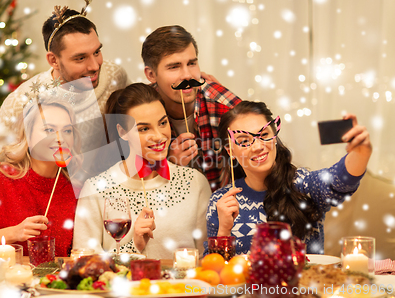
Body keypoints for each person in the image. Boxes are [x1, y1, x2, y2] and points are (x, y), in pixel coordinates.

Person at [0, 0, 129, 195]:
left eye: (97, 52)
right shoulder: (23, 101)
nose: (95, 66)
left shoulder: (114, 76)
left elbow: (138, 119)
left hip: (109, 196)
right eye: (80, 58)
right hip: (54, 204)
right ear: (53, 60)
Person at [205, 101, 372, 255]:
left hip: (304, 286)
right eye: (244, 141)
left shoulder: (303, 184)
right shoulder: (221, 202)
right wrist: (224, 231)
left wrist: (361, 151)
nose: (257, 146)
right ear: (230, 151)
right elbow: (214, 272)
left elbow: (339, 181)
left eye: (263, 134)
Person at [73, 83, 211, 259]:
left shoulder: (195, 183)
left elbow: (205, 259)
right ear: (122, 132)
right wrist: (133, 247)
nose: (159, 136)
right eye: (144, 129)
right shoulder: (95, 189)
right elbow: (84, 262)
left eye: (163, 123)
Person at [0, 94, 81, 257]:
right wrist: (14, 233)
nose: (60, 138)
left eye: (67, 130)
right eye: (49, 129)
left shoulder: (77, 190)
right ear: (28, 135)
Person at [142, 25, 241, 192]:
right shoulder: (140, 112)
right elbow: (129, 183)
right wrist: (167, 164)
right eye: (174, 67)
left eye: (192, 63)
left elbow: (267, 152)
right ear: (151, 75)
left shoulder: (223, 105)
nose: (187, 75)